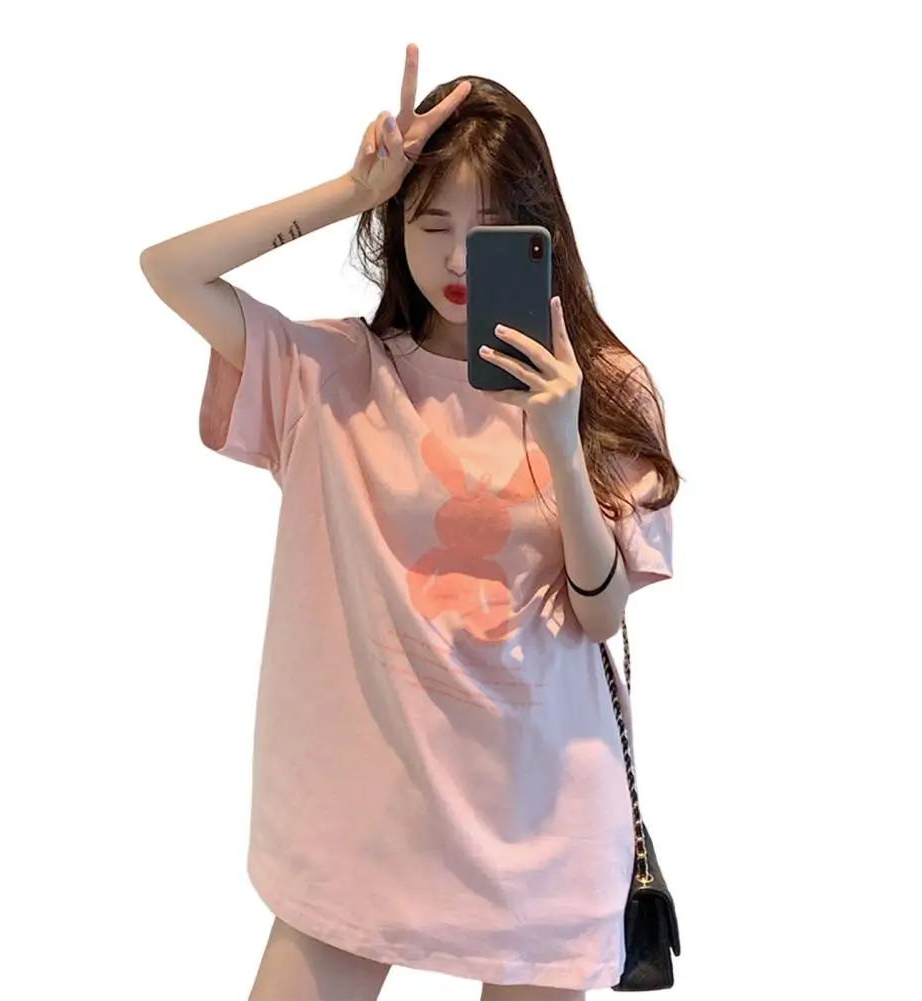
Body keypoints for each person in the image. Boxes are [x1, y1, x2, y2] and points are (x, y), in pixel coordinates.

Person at [140, 42, 679, 1001]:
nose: (458, 259)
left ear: (539, 232)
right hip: (362, 826)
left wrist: (560, 445)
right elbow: (171, 270)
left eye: (492, 231)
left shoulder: (600, 386)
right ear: (393, 227)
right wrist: (350, 190)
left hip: (539, 832)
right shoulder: (333, 376)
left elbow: (599, 615)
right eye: (430, 224)